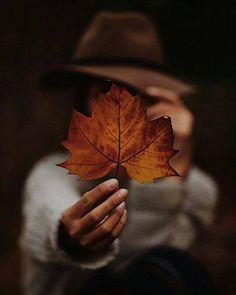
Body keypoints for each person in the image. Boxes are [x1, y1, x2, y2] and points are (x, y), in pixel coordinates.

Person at [19, 11, 219, 295]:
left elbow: (142, 270)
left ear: (162, 105)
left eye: (135, 93)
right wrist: (71, 235)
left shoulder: (198, 190)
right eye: (104, 89)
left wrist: (163, 173)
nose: (118, 105)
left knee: (168, 264)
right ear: (83, 100)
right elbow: (54, 212)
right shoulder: (52, 174)